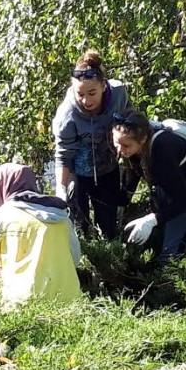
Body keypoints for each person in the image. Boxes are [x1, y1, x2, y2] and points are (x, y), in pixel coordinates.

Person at [52, 50, 135, 239]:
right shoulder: (67, 115)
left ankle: (111, 254)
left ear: (103, 86)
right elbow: (63, 155)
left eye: (92, 93)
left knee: (108, 228)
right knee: (80, 228)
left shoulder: (119, 95)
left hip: (108, 167)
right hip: (78, 173)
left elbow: (133, 123)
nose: (86, 100)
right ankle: (84, 259)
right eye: (80, 94)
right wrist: (61, 189)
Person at [112, 113, 186, 263]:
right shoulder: (133, 148)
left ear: (142, 140)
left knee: (172, 251)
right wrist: (121, 204)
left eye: (126, 146)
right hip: (168, 180)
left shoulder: (161, 150)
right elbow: (131, 177)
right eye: (117, 143)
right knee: (160, 231)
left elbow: (181, 201)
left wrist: (151, 220)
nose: (120, 150)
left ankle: (170, 279)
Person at [0, 163, 82, 308]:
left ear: (2, 185)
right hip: (68, 302)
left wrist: (0, 297)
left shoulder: (0, 217)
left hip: (22, 303)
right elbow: (75, 257)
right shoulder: (60, 215)